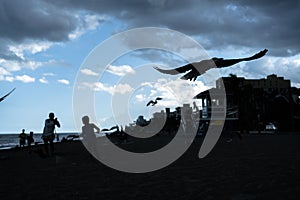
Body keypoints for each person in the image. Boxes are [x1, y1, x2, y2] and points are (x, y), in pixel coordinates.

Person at [154, 49, 268, 81]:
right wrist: (163, 71)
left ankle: (189, 76)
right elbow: (177, 70)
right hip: (197, 70)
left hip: (198, 71)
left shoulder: (218, 63)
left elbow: (243, 59)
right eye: (216, 61)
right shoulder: (200, 63)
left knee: (192, 74)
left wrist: (256, 56)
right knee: (191, 74)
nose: (218, 62)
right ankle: (189, 76)